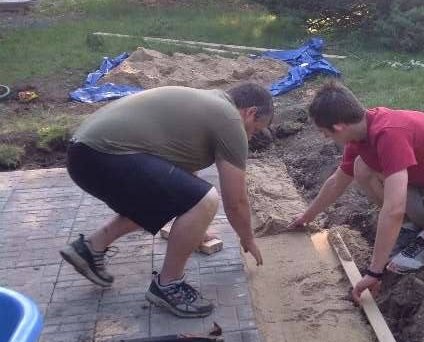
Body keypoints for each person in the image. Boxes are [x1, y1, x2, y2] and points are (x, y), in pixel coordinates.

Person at [60, 82, 272, 318]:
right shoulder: (231, 120)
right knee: (208, 199)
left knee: (177, 196)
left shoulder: (207, 104)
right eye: (254, 130)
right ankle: (169, 285)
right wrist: (247, 238)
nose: (250, 137)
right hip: (103, 155)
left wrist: (197, 229)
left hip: (83, 156)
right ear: (250, 112)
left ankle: (90, 249)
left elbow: (181, 185)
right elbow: (236, 201)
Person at [291, 80, 424, 303]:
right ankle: (410, 228)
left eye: (324, 132)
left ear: (338, 127)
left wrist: (374, 273)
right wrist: (306, 217)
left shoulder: (390, 133)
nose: (325, 138)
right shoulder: (361, 136)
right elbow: (337, 182)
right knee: (361, 167)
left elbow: (393, 208)